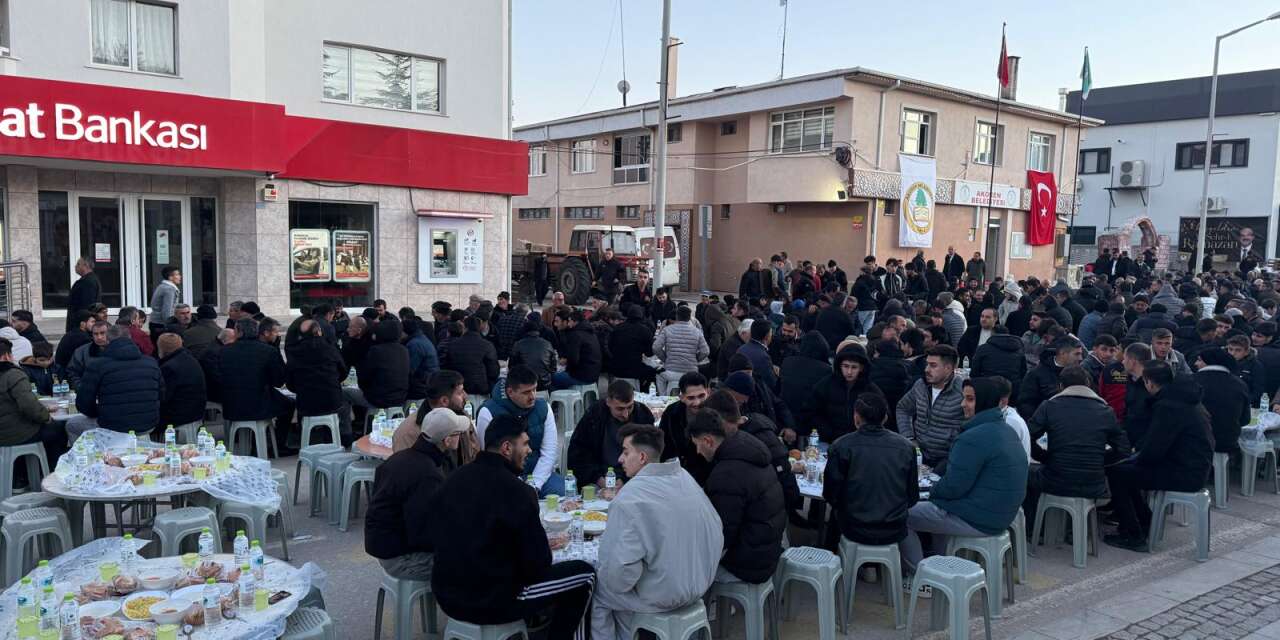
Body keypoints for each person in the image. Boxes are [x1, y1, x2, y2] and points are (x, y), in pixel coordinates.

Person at [427, 414, 596, 640]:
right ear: (507, 447)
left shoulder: (453, 479)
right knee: (585, 575)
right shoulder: (519, 492)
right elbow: (538, 566)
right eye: (525, 444)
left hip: (446, 594)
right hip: (492, 601)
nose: (529, 451)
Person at [592, 423, 723, 640]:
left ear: (642, 457)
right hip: (700, 584)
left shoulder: (629, 498)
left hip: (663, 594)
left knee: (600, 592)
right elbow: (716, 529)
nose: (620, 459)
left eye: (625, 452)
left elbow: (620, 576)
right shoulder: (685, 479)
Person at [902, 377, 1028, 577]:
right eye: (964, 398)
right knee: (935, 508)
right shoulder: (1005, 429)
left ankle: (920, 576)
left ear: (984, 401)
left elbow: (953, 487)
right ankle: (939, 565)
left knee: (900, 514)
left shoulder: (973, 438)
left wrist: (930, 491)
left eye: (970, 399)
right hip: (1000, 514)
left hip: (980, 518)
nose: (963, 405)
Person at [1103, 360, 1213, 551]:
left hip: (1184, 472)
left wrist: (1135, 457)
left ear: (1149, 383)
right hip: (1194, 467)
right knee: (1125, 471)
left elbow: (1154, 449)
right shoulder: (1186, 399)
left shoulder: (1169, 406)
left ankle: (1133, 533)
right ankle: (1145, 521)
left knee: (1118, 474)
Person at [366, 407, 471, 582]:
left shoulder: (401, 458)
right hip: (400, 558)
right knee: (476, 561)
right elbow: (424, 533)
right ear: (447, 440)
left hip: (384, 546)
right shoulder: (426, 474)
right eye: (459, 433)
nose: (461, 437)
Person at [688, 409, 786, 585]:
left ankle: (709, 610)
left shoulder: (727, 474)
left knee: (683, 564)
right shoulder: (747, 446)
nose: (697, 452)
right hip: (768, 552)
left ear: (708, 441)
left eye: (697, 445)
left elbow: (720, 535)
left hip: (749, 565)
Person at [1024, 366, 1130, 519]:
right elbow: (1123, 449)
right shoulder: (1106, 411)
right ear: (1088, 384)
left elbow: (1028, 437)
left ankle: (1033, 528)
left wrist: (1045, 457)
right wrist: (1099, 461)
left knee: (1024, 471)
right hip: (1094, 484)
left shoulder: (1049, 406)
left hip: (1055, 479)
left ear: (1060, 386)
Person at [824, 392, 919, 546]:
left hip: (854, 527)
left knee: (835, 518)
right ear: (885, 418)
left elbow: (830, 494)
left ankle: (834, 559)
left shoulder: (841, 446)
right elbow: (912, 496)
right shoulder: (906, 448)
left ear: (856, 417)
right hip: (894, 528)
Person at [476, 366, 562, 496]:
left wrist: (535, 484)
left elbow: (549, 451)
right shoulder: (487, 412)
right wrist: (517, 485)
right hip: (503, 478)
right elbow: (489, 456)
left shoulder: (544, 408)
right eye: (526, 392)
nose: (532, 396)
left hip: (539, 474)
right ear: (510, 392)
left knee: (563, 491)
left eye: (534, 389)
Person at [68, 324, 163, 441]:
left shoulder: (98, 365)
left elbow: (83, 403)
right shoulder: (151, 363)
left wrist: (100, 412)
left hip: (113, 425)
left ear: (107, 341)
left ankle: (87, 456)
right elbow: (162, 394)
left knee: (72, 424)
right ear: (130, 338)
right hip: (148, 424)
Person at [218, 318, 295, 455]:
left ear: (237, 332)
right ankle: (278, 444)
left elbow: (221, 377)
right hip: (259, 405)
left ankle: (259, 443)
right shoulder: (268, 351)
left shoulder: (224, 351)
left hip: (232, 405)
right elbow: (278, 381)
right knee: (289, 405)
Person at [569, 380, 656, 490]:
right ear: (608, 402)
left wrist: (626, 480)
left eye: (630, 407)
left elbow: (650, 456)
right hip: (597, 477)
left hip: (635, 477)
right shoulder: (594, 416)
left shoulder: (643, 416)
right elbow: (578, 454)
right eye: (620, 409)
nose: (626, 414)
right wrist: (598, 479)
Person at [896, 345, 967, 468]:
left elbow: (972, 424)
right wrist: (909, 438)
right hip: (919, 457)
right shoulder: (921, 385)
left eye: (933, 365)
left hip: (947, 461)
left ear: (948, 368)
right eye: (927, 364)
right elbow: (903, 408)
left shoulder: (963, 391)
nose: (927, 369)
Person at [285, 318, 351, 445]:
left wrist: (300, 388)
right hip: (332, 400)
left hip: (306, 402)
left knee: (303, 411)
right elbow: (343, 371)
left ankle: (304, 439)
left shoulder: (295, 352)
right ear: (319, 331)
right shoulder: (330, 348)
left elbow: (290, 381)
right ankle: (342, 438)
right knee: (342, 405)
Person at [0, 338, 64, 465]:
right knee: (57, 429)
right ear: (7, 356)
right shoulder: (13, 375)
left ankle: (24, 473)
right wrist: (46, 417)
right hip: (13, 434)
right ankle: (52, 470)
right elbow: (29, 406)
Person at [803, 344, 883, 443]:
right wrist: (828, 432)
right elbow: (811, 411)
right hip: (829, 441)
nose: (849, 372)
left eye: (854, 367)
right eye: (846, 366)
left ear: (861, 368)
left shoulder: (870, 389)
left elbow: (882, 416)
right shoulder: (825, 385)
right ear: (839, 366)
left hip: (861, 441)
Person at [348, 320, 410, 431]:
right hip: (400, 398)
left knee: (344, 393)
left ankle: (348, 430)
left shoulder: (376, 351)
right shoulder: (404, 350)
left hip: (378, 400)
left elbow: (364, 376)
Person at [1194, 348, 1250, 459]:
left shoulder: (1191, 382)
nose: (1195, 363)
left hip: (1196, 442)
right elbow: (1245, 420)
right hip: (1227, 442)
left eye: (1199, 360)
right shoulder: (1240, 384)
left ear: (1209, 362)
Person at [657, 373, 712, 483]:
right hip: (677, 475)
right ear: (681, 397)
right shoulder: (671, 413)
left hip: (708, 477)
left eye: (701, 396)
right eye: (691, 398)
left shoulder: (717, 413)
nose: (697, 402)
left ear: (708, 392)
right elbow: (662, 444)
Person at [1018, 336, 1083, 420]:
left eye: (1081, 354)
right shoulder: (1036, 374)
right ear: (1063, 353)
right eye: (1077, 354)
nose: (1081, 358)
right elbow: (1025, 404)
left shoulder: (1082, 374)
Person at [653, 306, 709, 394]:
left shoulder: (667, 330)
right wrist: (696, 360)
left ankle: (663, 398)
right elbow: (705, 351)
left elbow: (656, 347)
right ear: (690, 317)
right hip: (691, 372)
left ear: (677, 316)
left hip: (671, 372)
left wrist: (665, 359)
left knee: (659, 376)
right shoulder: (697, 332)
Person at [156, 334, 206, 430]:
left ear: (162, 348)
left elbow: (164, 397)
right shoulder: (189, 358)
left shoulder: (169, 367)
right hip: (195, 410)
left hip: (181, 414)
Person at [441, 315, 500, 395]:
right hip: (480, 389)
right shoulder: (487, 345)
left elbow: (447, 367)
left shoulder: (453, 345)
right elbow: (494, 372)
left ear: (465, 328)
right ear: (479, 328)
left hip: (458, 389)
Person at [553, 309, 603, 390]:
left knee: (552, 378)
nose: (568, 324)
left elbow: (573, 360)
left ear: (575, 322)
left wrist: (565, 363)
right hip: (594, 375)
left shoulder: (576, 335)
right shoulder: (590, 332)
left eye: (569, 321)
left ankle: (559, 401)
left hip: (582, 376)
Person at [609, 306, 658, 390]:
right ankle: (643, 396)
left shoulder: (617, 328)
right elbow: (649, 353)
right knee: (654, 373)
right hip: (634, 370)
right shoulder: (645, 330)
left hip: (615, 368)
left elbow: (610, 347)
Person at [509, 316, 558, 391]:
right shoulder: (547, 343)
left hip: (525, 383)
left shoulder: (518, 344)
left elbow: (511, 366)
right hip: (544, 383)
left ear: (524, 331)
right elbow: (553, 368)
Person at [737, 319, 778, 392]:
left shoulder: (741, 349)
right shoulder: (763, 357)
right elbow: (772, 383)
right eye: (771, 333)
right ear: (767, 336)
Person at [1225, 334, 1267, 405]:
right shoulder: (1223, 362)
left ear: (1246, 351)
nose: (1232, 353)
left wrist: (1243, 402)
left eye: (1238, 350)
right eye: (1230, 349)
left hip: (1243, 403)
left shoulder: (1255, 366)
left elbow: (1257, 391)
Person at [65, 258, 101, 334]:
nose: (75, 266)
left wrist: (82, 324)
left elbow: (87, 305)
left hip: (80, 325)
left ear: (86, 266)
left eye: (78, 264)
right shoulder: (88, 280)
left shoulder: (87, 282)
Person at [147, 265, 182, 342]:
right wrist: (170, 327)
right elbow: (167, 311)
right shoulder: (169, 289)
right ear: (170, 277)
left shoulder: (162, 286)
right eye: (177, 274)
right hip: (162, 325)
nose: (180, 276)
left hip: (155, 322)